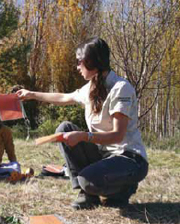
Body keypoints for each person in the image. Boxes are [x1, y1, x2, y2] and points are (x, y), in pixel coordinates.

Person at [17, 37, 148, 209]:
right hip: (104, 155)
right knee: (64, 129)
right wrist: (31, 94)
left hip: (128, 158)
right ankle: (88, 196)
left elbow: (118, 135)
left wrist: (83, 136)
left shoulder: (120, 88)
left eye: (79, 62)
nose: (77, 67)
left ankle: (123, 188)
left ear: (92, 62)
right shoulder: (91, 88)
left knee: (87, 179)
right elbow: (64, 97)